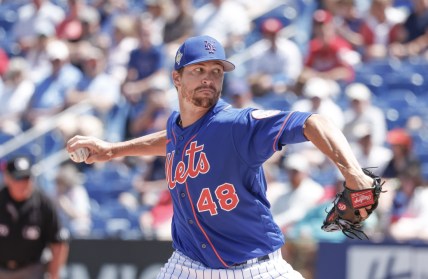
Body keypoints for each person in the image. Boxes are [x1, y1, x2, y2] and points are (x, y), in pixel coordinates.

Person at [67, 35, 375, 278]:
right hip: (187, 266)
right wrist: (114, 150)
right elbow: (173, 140)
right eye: (198, 70)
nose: (208, 78)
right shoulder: (178, 126)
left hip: (255, 268)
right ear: (177, 78)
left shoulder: (237, 125)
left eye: (216, 72)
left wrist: (353, 172)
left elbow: (313, 123)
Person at [0, 156, 69, 279]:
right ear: (7, 178)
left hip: (32, 270)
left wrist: (54, 274)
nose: (23, 183)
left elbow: (58, 242)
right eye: (18, 178)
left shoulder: (44, 204)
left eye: (26, 178)